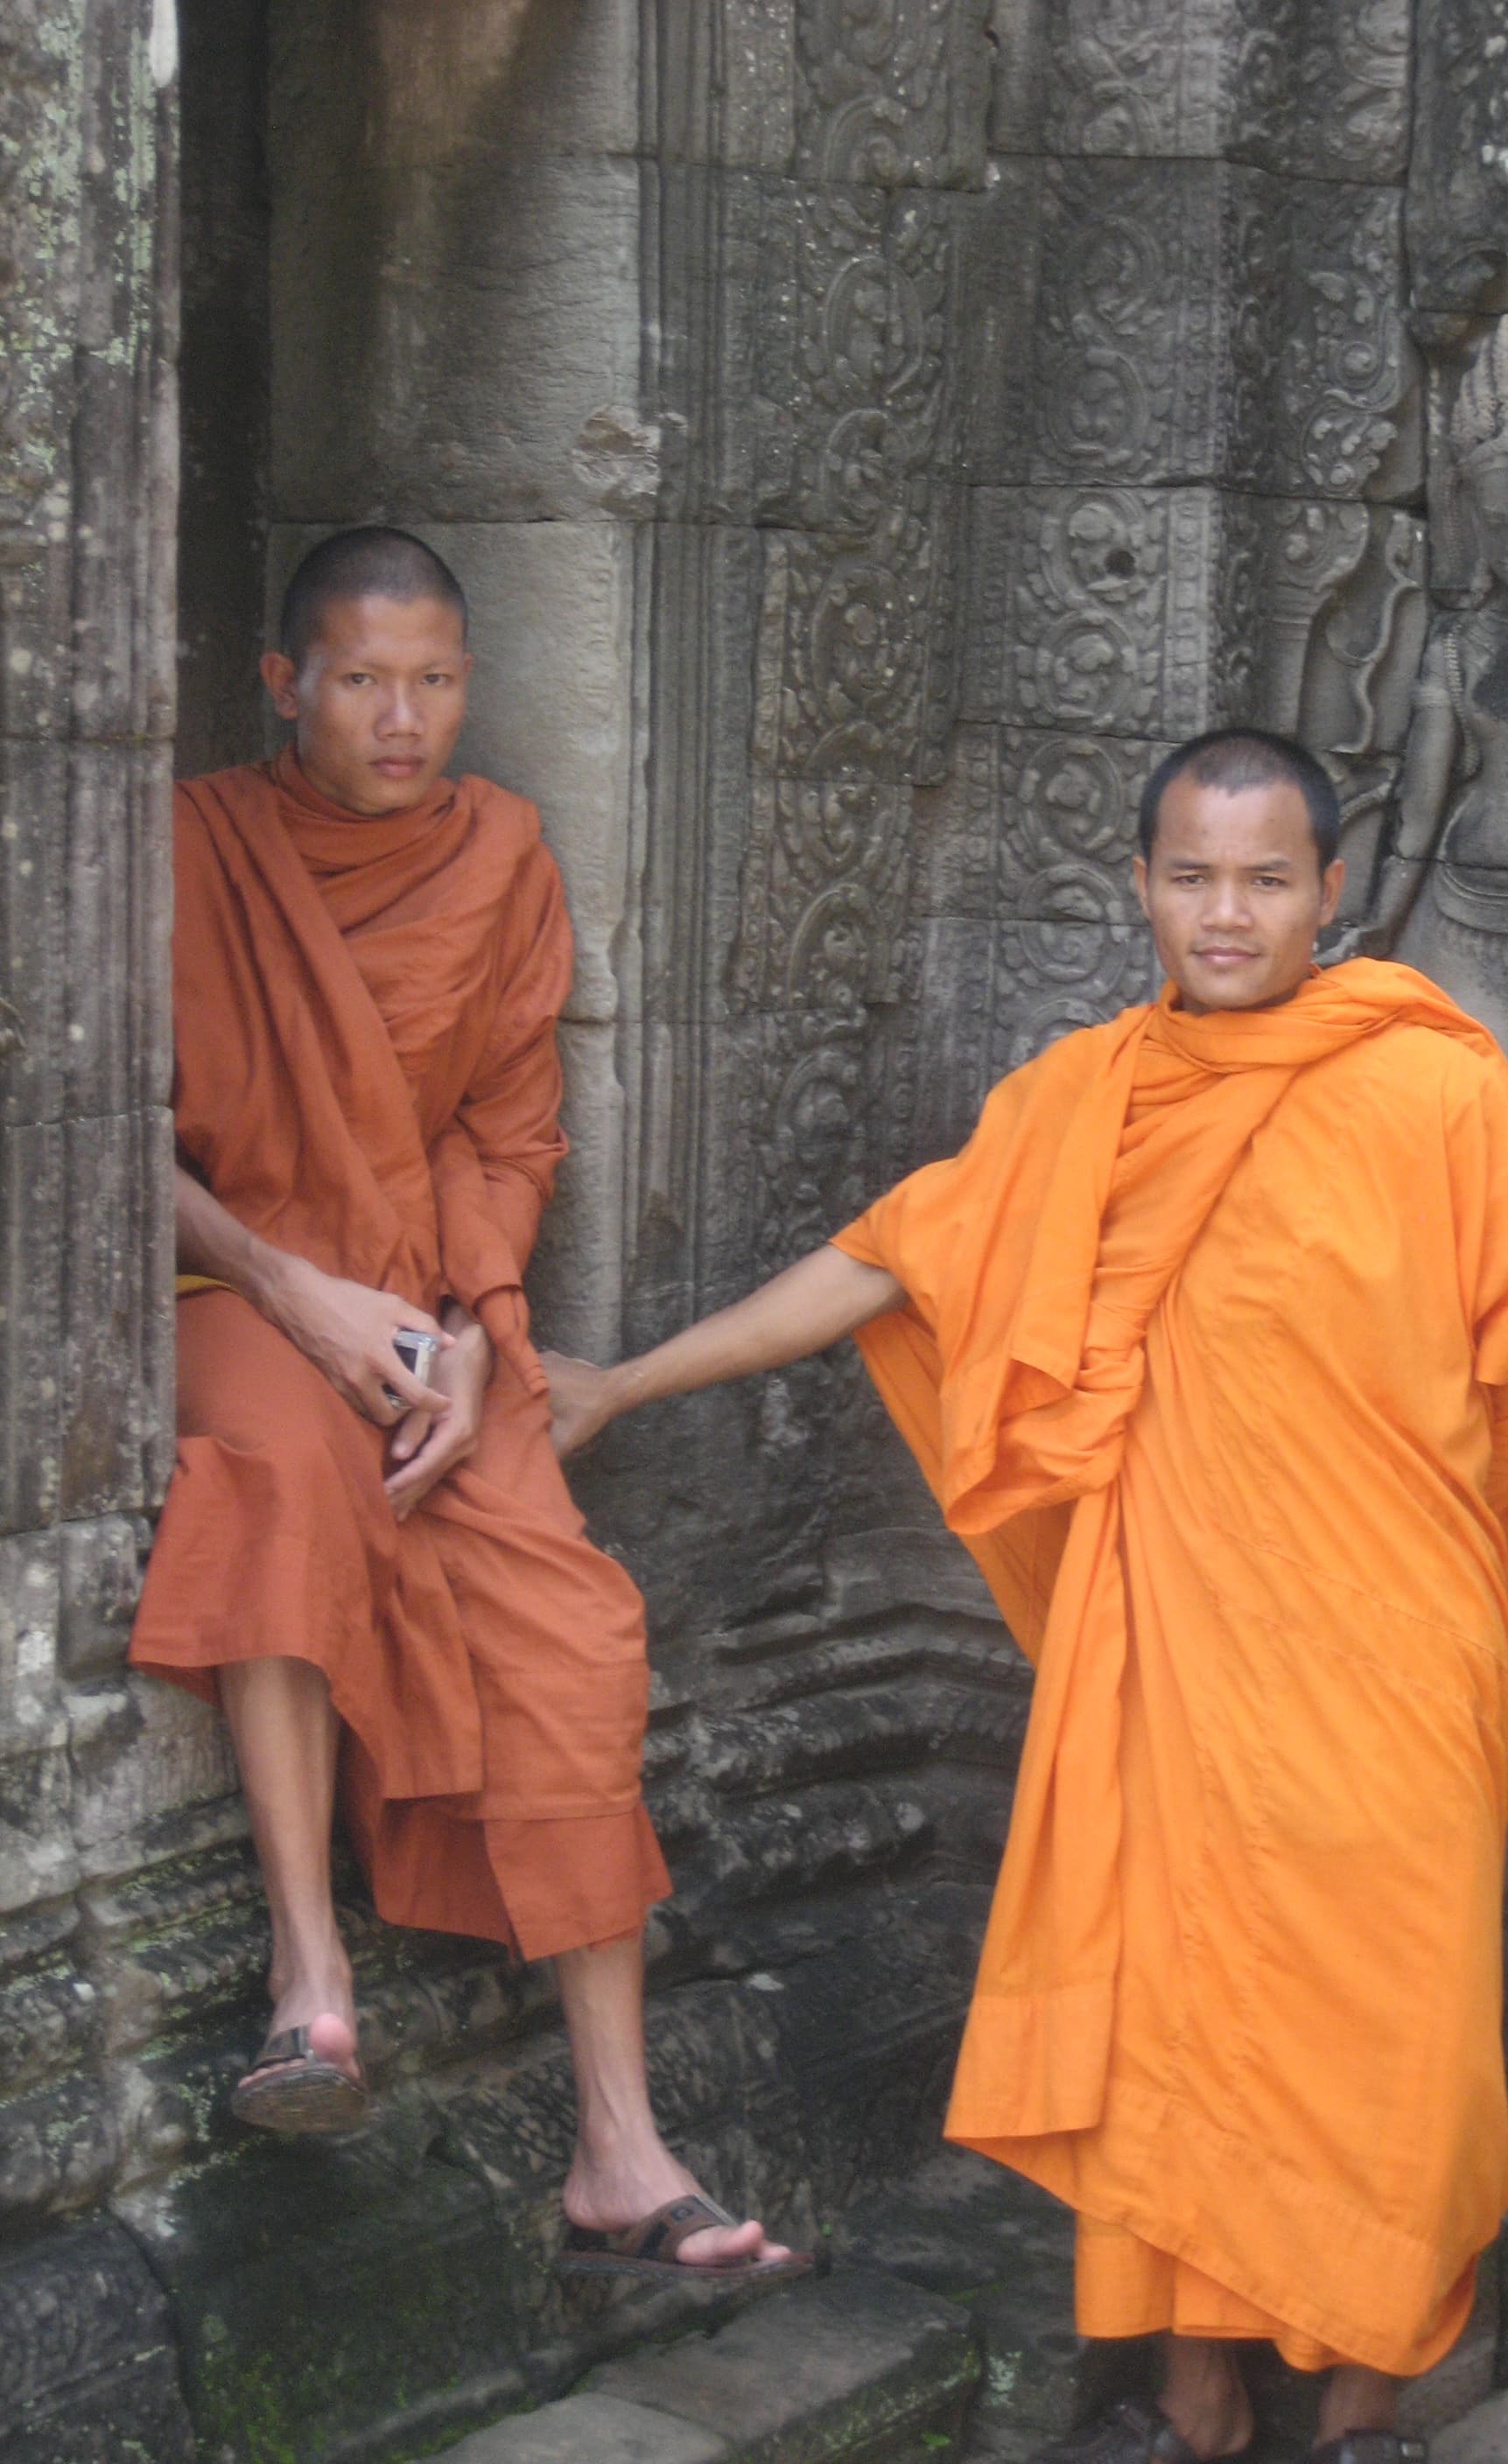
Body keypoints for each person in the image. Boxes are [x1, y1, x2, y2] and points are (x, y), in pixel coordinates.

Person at [543, 726, 1508, 2460]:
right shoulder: (1088, 1101)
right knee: (1166, 2008)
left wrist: (1391, 1554)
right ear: (1140, 886)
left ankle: (1365, 2408)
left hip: (1392, 1649)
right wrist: (629, 1381)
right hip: (1172, 1658)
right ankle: (1194, 2403)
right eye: (1192, 874)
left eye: (1268, 878)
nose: (1228, 912)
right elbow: (889, 1254)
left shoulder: (1438, 1092)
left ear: (1332, 891)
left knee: (1398, 2032)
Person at [131, 526, 803, 2285]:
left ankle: (618, 2137)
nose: (402, 714)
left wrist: (474, 1335)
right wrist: (293, 1288)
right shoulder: (187, 841)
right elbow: (90, 1117)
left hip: (434, 1312)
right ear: (284, 684)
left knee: (573, 1632)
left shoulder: (500, 850)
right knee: (278, 1472)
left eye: (432, 678)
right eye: (361, 678)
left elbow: (510, 1130)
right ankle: (308, 1984)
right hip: (236, 1285)